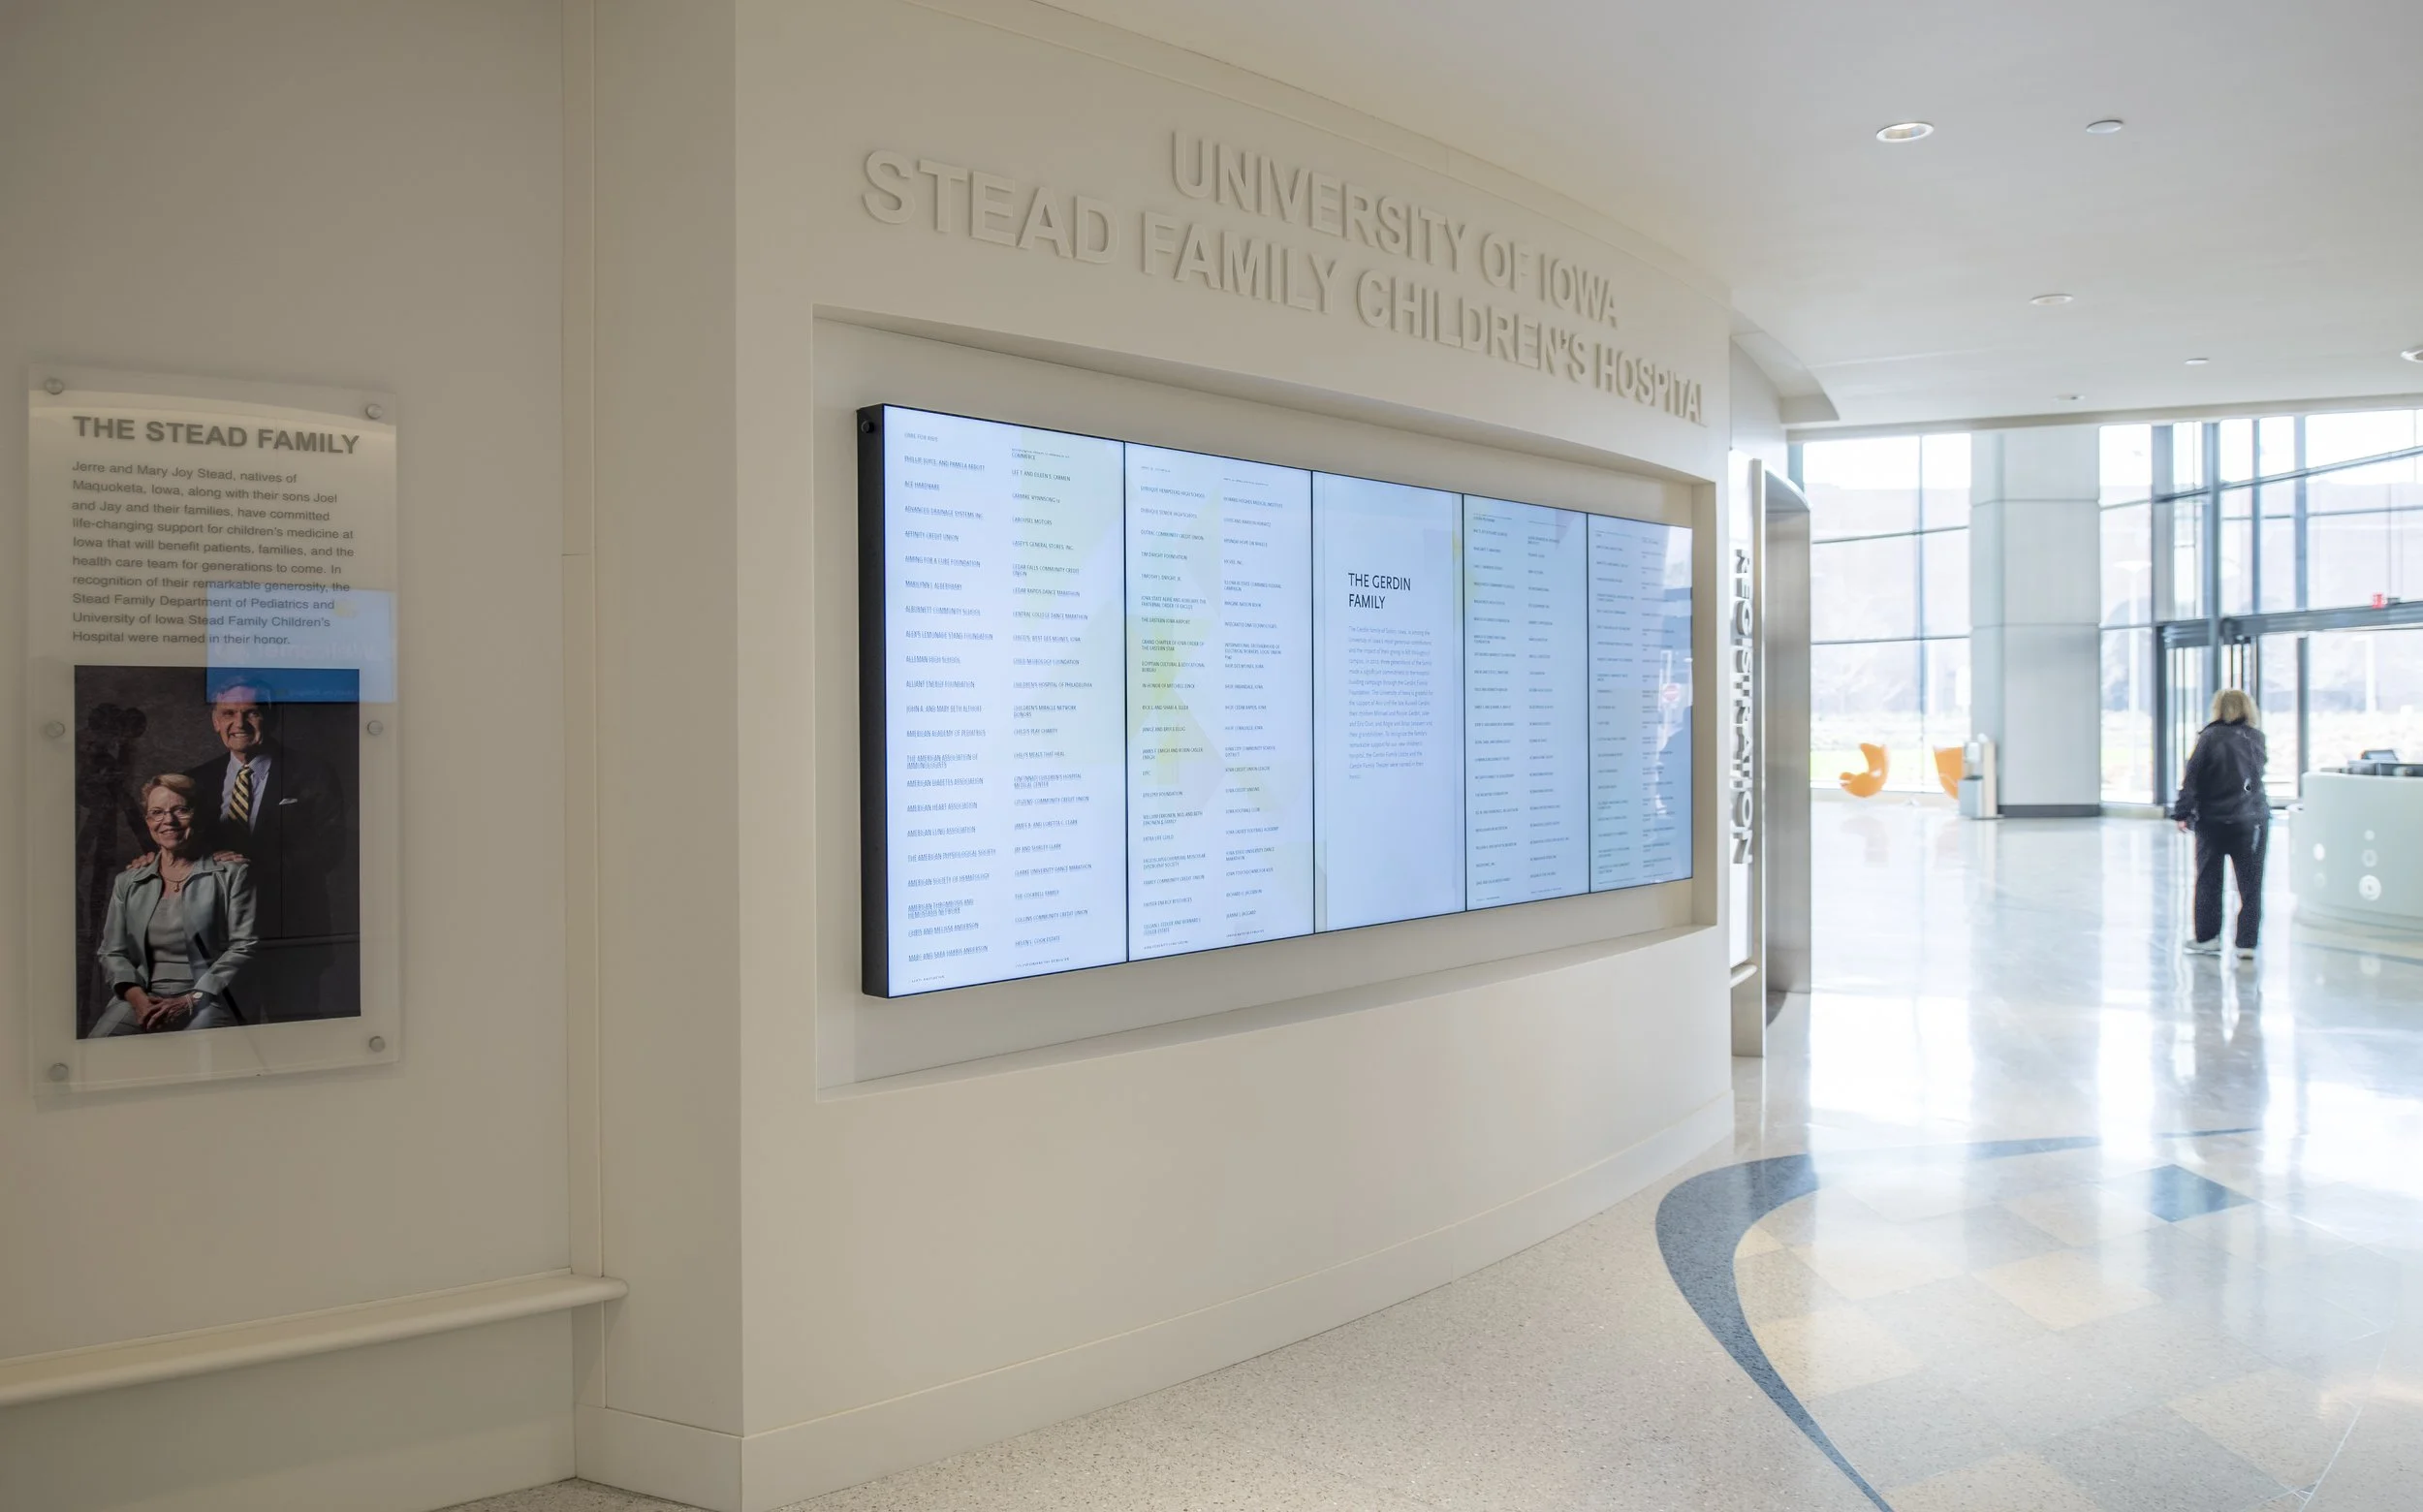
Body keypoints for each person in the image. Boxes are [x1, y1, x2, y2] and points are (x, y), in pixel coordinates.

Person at [180, 676, 355, 1020]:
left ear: (271, 717)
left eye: (252, 713)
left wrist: (245, 868)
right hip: (217, 942)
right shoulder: (196, 780)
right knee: (227, 1039)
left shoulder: (313, 773)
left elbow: (329, 849)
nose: (239, 724)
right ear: (215, 721)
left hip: (289, 938)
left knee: (293, 1035)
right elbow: (179, 847)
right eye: (228, 713)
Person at [91, 774, 258, 1034]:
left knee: (198, 1053)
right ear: (147, 821)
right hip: (142, 996)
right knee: (97, 1048)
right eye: (157, 812)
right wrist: (139, 1000)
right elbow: (112, 952)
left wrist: (191, 1000)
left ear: (199, 816)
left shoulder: (232, 874)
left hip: (207, 998)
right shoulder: (128, 881)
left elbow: (244, 947)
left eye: (181, 810)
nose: (168, 820)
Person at [2171, 688, 2268, 961]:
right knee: (2250, 883)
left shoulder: (2209, 738)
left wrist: (2182, 813)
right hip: (2252, 821)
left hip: (2213, 820)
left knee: (2209, 881)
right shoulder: (2256, 738)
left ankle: (2208, 938)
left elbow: (2192, 778)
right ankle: (2246, 943)